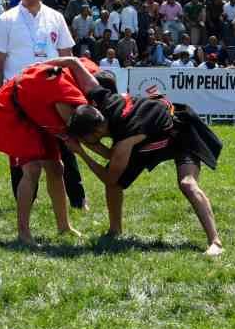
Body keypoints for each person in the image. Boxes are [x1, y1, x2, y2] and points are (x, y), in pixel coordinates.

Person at [65, 82, 225, 256]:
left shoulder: (126, 137)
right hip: (146, 144)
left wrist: (81, 152)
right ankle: (115, 230)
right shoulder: (105, 112)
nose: (83, 140)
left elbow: (109, 175)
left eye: (83, 137)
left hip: (179, 134)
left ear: (95, 131)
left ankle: (215, 242)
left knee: (187, 183)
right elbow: (114, 159)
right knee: (116, 183)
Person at [0, 0, 89, 215]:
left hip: (53, 92)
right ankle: (23, 201)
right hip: (19, 94)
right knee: (20, 150)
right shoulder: (6, 19)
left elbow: (68, 56)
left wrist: (72, 90)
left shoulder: (55, 16)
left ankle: (77, 199)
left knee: (66, 146)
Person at [0, 56, 101, 244]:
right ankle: (23, 232)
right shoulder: (64, 95)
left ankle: (64, 226)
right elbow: (75, 134)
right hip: (13, 112)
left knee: (57, 169)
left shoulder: (74, 78)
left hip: (35, 111)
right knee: (32, 169)